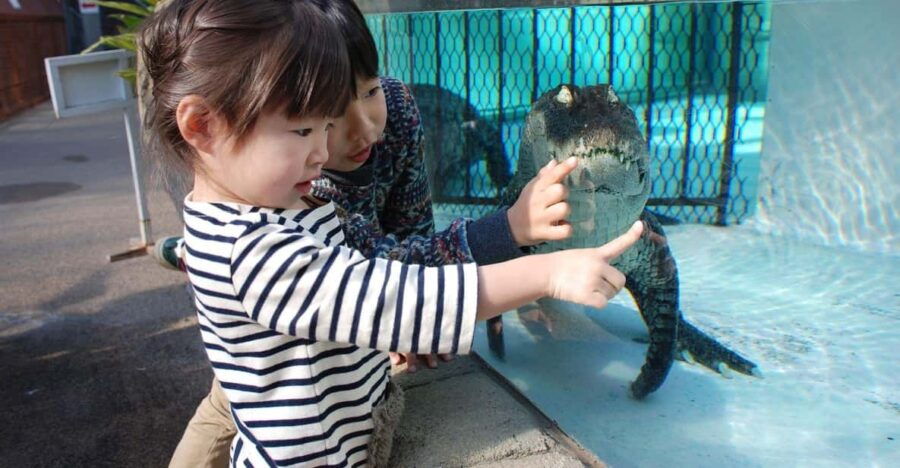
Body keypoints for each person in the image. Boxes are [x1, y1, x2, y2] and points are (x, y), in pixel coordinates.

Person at [142, 0, 642, 466]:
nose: (321, 152)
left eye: (324, 126)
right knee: (223, 405)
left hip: (344, 420)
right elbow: (393, 299)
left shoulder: (271, 200)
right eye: (305, 129)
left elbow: (394, 263)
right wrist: (544, 273)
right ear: (202, 125)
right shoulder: (252, 249)